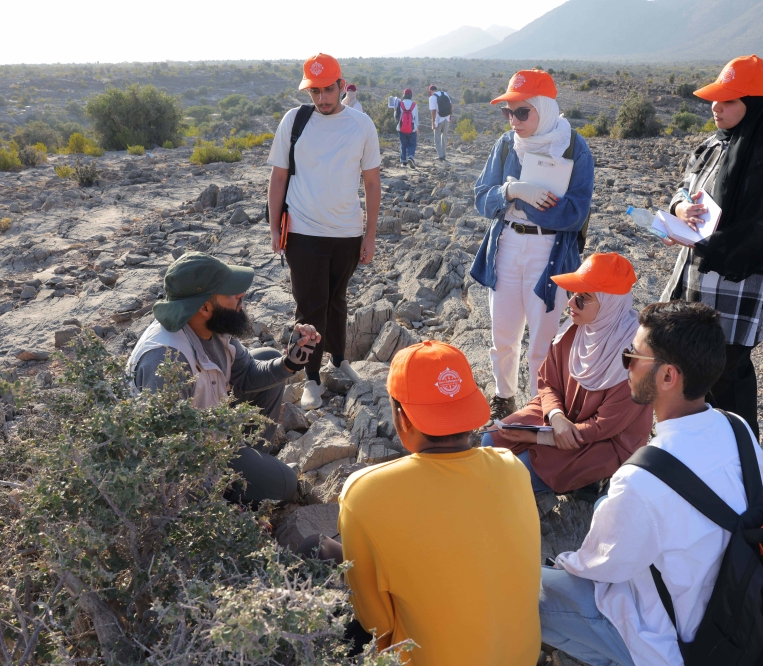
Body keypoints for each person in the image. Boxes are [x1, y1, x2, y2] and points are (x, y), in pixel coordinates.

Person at [539, 300, 763, 666]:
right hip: (729, 614)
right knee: (607, 509)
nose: (625, 364)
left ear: (668, 377)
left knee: (529, 592)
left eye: (632, 356)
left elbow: (597, 567)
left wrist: (561, 564)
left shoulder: (642, 478)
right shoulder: (738, 429)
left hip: (671, 644)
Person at [307, 341, 542, 664]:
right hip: (523, 657)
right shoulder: (511, 466)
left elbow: (377, 625)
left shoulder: (365, 492)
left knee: (315, 548)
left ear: (402, 418)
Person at [660, 54, 763, 438]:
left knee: (727, 366)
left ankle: (741, 454)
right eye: (715, 99)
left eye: (728, 101)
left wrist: (699, 242)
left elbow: (762, 231)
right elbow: (685, 187)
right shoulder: (715, 143)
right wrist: (679, 208)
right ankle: (698, 444)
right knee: (693, 358)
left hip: (741, 277)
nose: (715, 107)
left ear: (753, 104)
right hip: (700, 268)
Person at [127, 252, 322, 506]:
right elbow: (167, 458)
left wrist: (290, 363)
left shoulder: (208, 326)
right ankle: (238, 489)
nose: (242, 295)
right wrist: (220, 510)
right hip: (193, 461)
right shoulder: (166, 362)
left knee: (269, 357)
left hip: (209, 433)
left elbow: (248, 373)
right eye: (231, 292)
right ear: (205, 307)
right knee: (286, 484)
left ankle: (249, 464)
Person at [471, 69, 594, 422]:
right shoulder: (506, 145)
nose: (513, 121)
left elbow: (575, 213)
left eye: (522, 112)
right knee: (502, 332)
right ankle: (504, 396)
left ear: (545, 108)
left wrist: (523, 204)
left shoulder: (574, 147)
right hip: (507, 245)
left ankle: (539, 406)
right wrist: (512, 190)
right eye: (507, 112)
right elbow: (482, 198)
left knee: (543, 339)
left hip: (549, 252)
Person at [266, 53, 382, 410]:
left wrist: (370, 235)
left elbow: (372, 183)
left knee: (336, 299)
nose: (322, 98)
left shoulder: (361, 125)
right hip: (303, 231)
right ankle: (311, 377)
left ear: (341, 85)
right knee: (309, 306)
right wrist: (274, 228)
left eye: (328, 90)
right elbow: (278, 177)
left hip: (347, 231)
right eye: (314, 91)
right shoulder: (294, 121)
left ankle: (338, 358)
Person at [483, 253, 653, 496]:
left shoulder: (634, 356)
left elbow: (605, 426)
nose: (571, 303)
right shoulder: (574, 330)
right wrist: (556, 416)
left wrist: (540, 438)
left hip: (603, 440)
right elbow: (547, 381)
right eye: (573, 294)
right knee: (491, 441)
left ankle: (590, 481)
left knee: (519, 471)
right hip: (559, 418)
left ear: (610, 303)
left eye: (583, 298)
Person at [394, 88, 418, 168]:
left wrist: (395, 110)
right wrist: (416, 127)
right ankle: (411, 156)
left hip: (401, 128)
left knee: (403, 144)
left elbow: (396, 118)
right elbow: (416, 118)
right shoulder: (414, 105)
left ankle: (403, 162)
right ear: (411, 95)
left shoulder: (400, 104)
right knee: (412, 144)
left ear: (404, 95)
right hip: (412, 128)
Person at [427, 84, 452, 161]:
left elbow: (433, 111)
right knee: (444, 137)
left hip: (438, 120)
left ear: (430, 91)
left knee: (437, 139)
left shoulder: (432, 98)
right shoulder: (445, 94)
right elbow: (451, 106)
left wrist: (433, 122)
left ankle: (440, 156)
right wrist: (450, 117)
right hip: (446, 119)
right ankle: (444, 155)